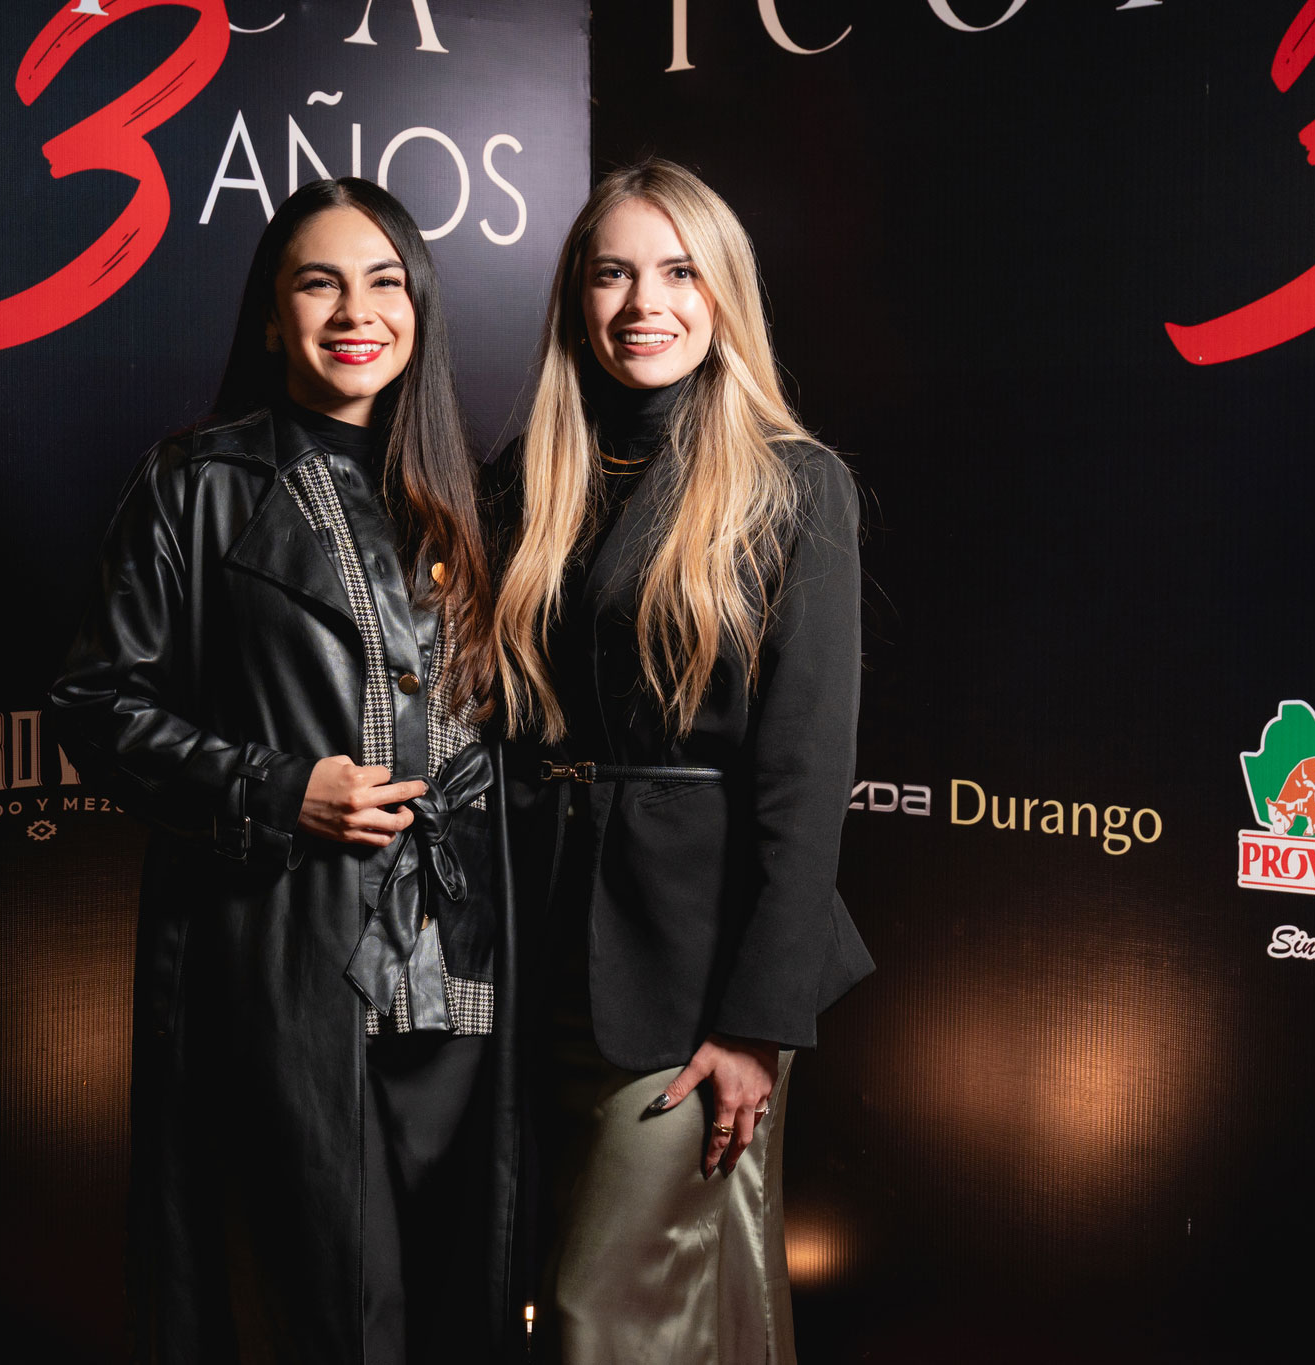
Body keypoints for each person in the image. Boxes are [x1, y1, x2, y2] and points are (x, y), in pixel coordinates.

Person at [50, 178, 520, 1365]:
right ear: (271, 316)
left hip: (459, 971)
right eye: (319, 283)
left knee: (454, 1296)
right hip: (288, 951)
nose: (356, 312)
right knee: (320, 1301)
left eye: (383, 281)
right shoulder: (196, 482)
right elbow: (96, 705)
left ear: (418, 305)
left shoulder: (470, 497)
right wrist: (275, 789)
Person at [489, 159, 874, 1363]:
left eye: (677, 272)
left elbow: (804, 778)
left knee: (607, 1312)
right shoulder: (524, 478)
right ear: (575, 296)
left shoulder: (791, 484)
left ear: (722, 295)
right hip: (534, 943)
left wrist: (757, 1025)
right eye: (611, 273)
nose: (642, 303)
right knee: (686, 1292)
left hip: (694, 972)